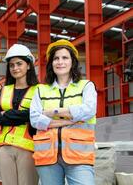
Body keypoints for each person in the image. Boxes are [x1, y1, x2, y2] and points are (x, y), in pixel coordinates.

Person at [30, 39, 97, 185]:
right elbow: (35, 120)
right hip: (47, 157)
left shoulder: (86, 86)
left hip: (79, 156)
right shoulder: (41, 90)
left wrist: (51, 112)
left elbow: (89, 111)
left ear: (72, 61)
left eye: (65, 58)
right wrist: (71, 119)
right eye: (56, 58)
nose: (60, 62)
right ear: (51, 63)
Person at [0, 44, 39, 185]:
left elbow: (35, 116)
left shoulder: (39, 90)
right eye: (11, 65)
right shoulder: (4, 90)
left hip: (28, 148)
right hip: (4, 148)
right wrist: (22, 116)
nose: (15, 68)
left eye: (19, 64)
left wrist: (8, 114)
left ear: (28, 65)